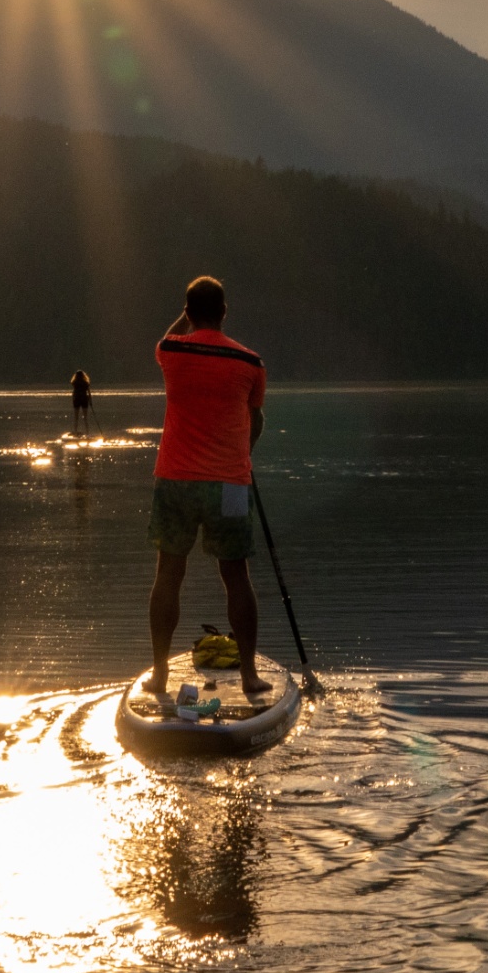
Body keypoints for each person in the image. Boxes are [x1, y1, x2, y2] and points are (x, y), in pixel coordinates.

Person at [146, 275, 269, 698]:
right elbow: (256, 420)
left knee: (169, 573)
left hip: (175, 481)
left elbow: (167, 336)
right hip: (229, 485)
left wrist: (186, 318)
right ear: (224, 312)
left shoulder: (172, 350)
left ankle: (160, 672)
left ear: (188, 312)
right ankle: (250, 673)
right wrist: (243, 454)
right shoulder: (251, 363)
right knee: (237, 576)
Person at [69, 369, 93, 437]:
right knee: (85, 418)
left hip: (76, 400)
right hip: (84, 400)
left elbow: (73, 393)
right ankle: (87, 432)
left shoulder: (74, 383)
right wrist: (90, 401)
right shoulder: (86, 383)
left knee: (76, 418)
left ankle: (76, 432)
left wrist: (73, 400)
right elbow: (89, 393)